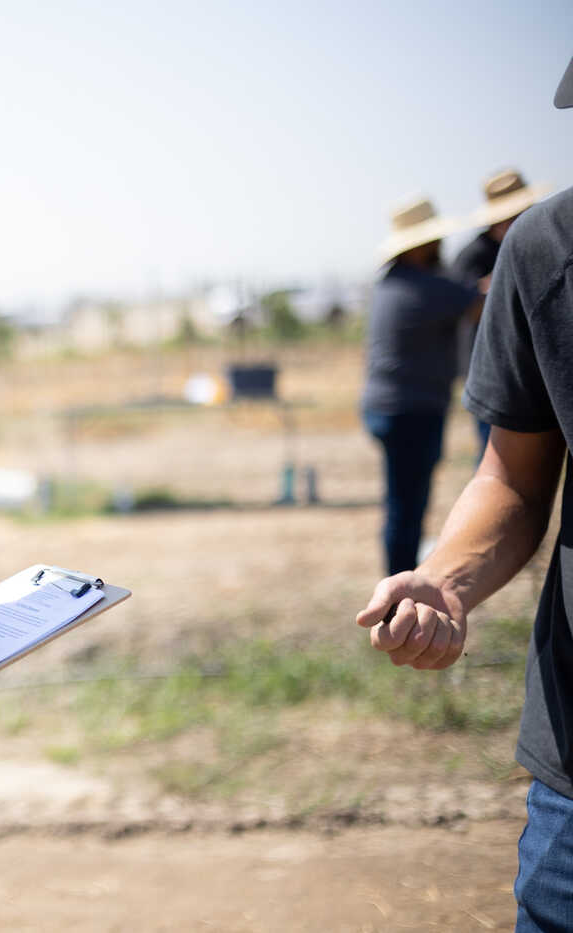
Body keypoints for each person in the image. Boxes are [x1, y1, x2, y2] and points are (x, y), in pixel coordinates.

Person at [356, 55, 573, 931]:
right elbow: (514, 473)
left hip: (397, 411)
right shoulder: (543, 254)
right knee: (404, 513)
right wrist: (443, 579)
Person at [361, 196, 481, 575]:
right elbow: (481, 301)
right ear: (422, 245)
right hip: (412, 410)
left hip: (385, 406)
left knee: (402, 502)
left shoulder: (389, 284)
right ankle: (398, 587)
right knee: (406, 507)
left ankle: (399, 576)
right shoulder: (428, 287)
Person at [451, 169, 551, 462]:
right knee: (496, 461)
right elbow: (464, 308)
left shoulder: (539, 244)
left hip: (530, 364)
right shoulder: (474, 255)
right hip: (491, 368)